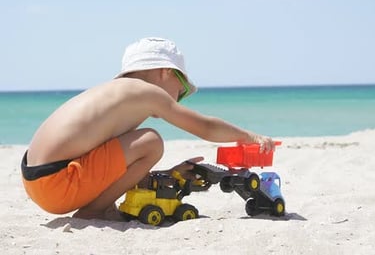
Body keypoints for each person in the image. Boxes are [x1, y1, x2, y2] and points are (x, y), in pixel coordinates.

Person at [21, 37, 275, 221]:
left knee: (142, 144)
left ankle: (97, 207)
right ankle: (94, 211)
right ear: (165, 72)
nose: (178, 101)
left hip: (38, 183)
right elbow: (205, 127)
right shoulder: (147, 92)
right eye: (182, 90)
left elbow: (107, 164)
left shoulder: (116, 97)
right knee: (151, 141)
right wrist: (248, 136)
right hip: (58, 183)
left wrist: (163, 175)